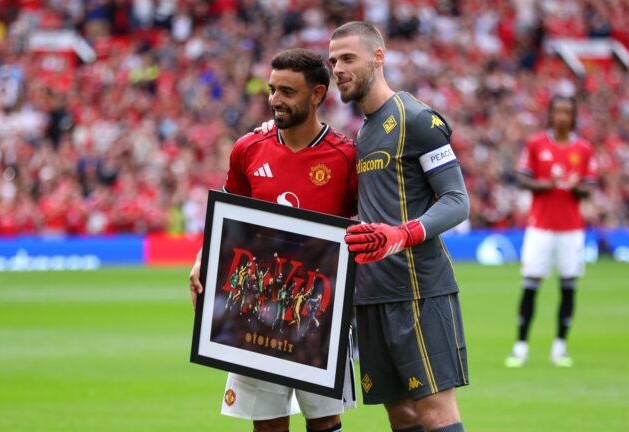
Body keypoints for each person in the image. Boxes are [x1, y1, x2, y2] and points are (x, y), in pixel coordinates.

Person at [188, 48, 357, 432]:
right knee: (267, 426)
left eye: (287, 92)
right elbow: (227, 220)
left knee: (325, 422)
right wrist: (202, 259)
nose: (275, 100)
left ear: (317, 95)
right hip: (257, 307)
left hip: (319, 310)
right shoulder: (248, 149)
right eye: (272, 89)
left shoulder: (346, 157)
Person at [331, 21, 470, 432]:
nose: (338, 69)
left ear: (378, 57)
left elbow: (457, 200)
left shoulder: (417, 119)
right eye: (333, 61)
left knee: (435, 413)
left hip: (417, 290)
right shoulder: (363, 133)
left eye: (348, 58)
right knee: (402, 415)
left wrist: (401, 234)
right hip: (371, 295)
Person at [504, 94, 597, 368]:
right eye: (558, 111)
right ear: (551, 114)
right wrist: (547, 184)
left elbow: (589, 188)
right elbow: (522, 179)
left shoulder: (584, 148)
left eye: (567, 112)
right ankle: (521, 346)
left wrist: (575, 186)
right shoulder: (536, 144)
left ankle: (560, 347)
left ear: (574, 116)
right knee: (530, 285)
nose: (562, 117)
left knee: (568, 287)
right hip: (540, 228)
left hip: (571, 229)